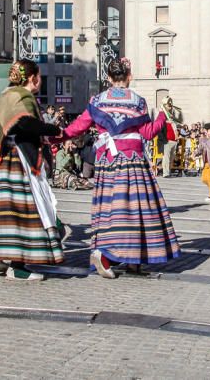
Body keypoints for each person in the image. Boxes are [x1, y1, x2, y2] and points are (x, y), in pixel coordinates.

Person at [61, 58, 180, 279]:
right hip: (133, 159)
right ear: (129, 76)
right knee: (137, 210)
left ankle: (127, 259)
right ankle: (110, 256)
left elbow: (78, 126)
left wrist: (56, 136)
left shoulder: (97, 100)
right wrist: (163, 116)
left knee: (111, 210)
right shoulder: (138, 101)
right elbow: (147, 133)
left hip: (107, 160)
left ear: (108, 78)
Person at [0, 60, 64, 281]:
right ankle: (18, 265)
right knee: (22, 211)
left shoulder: (9, 94)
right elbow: (24, 124)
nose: (40, 81)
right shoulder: (19, 96)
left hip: (7, 158)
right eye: (39, 76)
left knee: (9, 210)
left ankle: (2, 255)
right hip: (16, 159)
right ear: (32, 78)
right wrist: (54, 129)